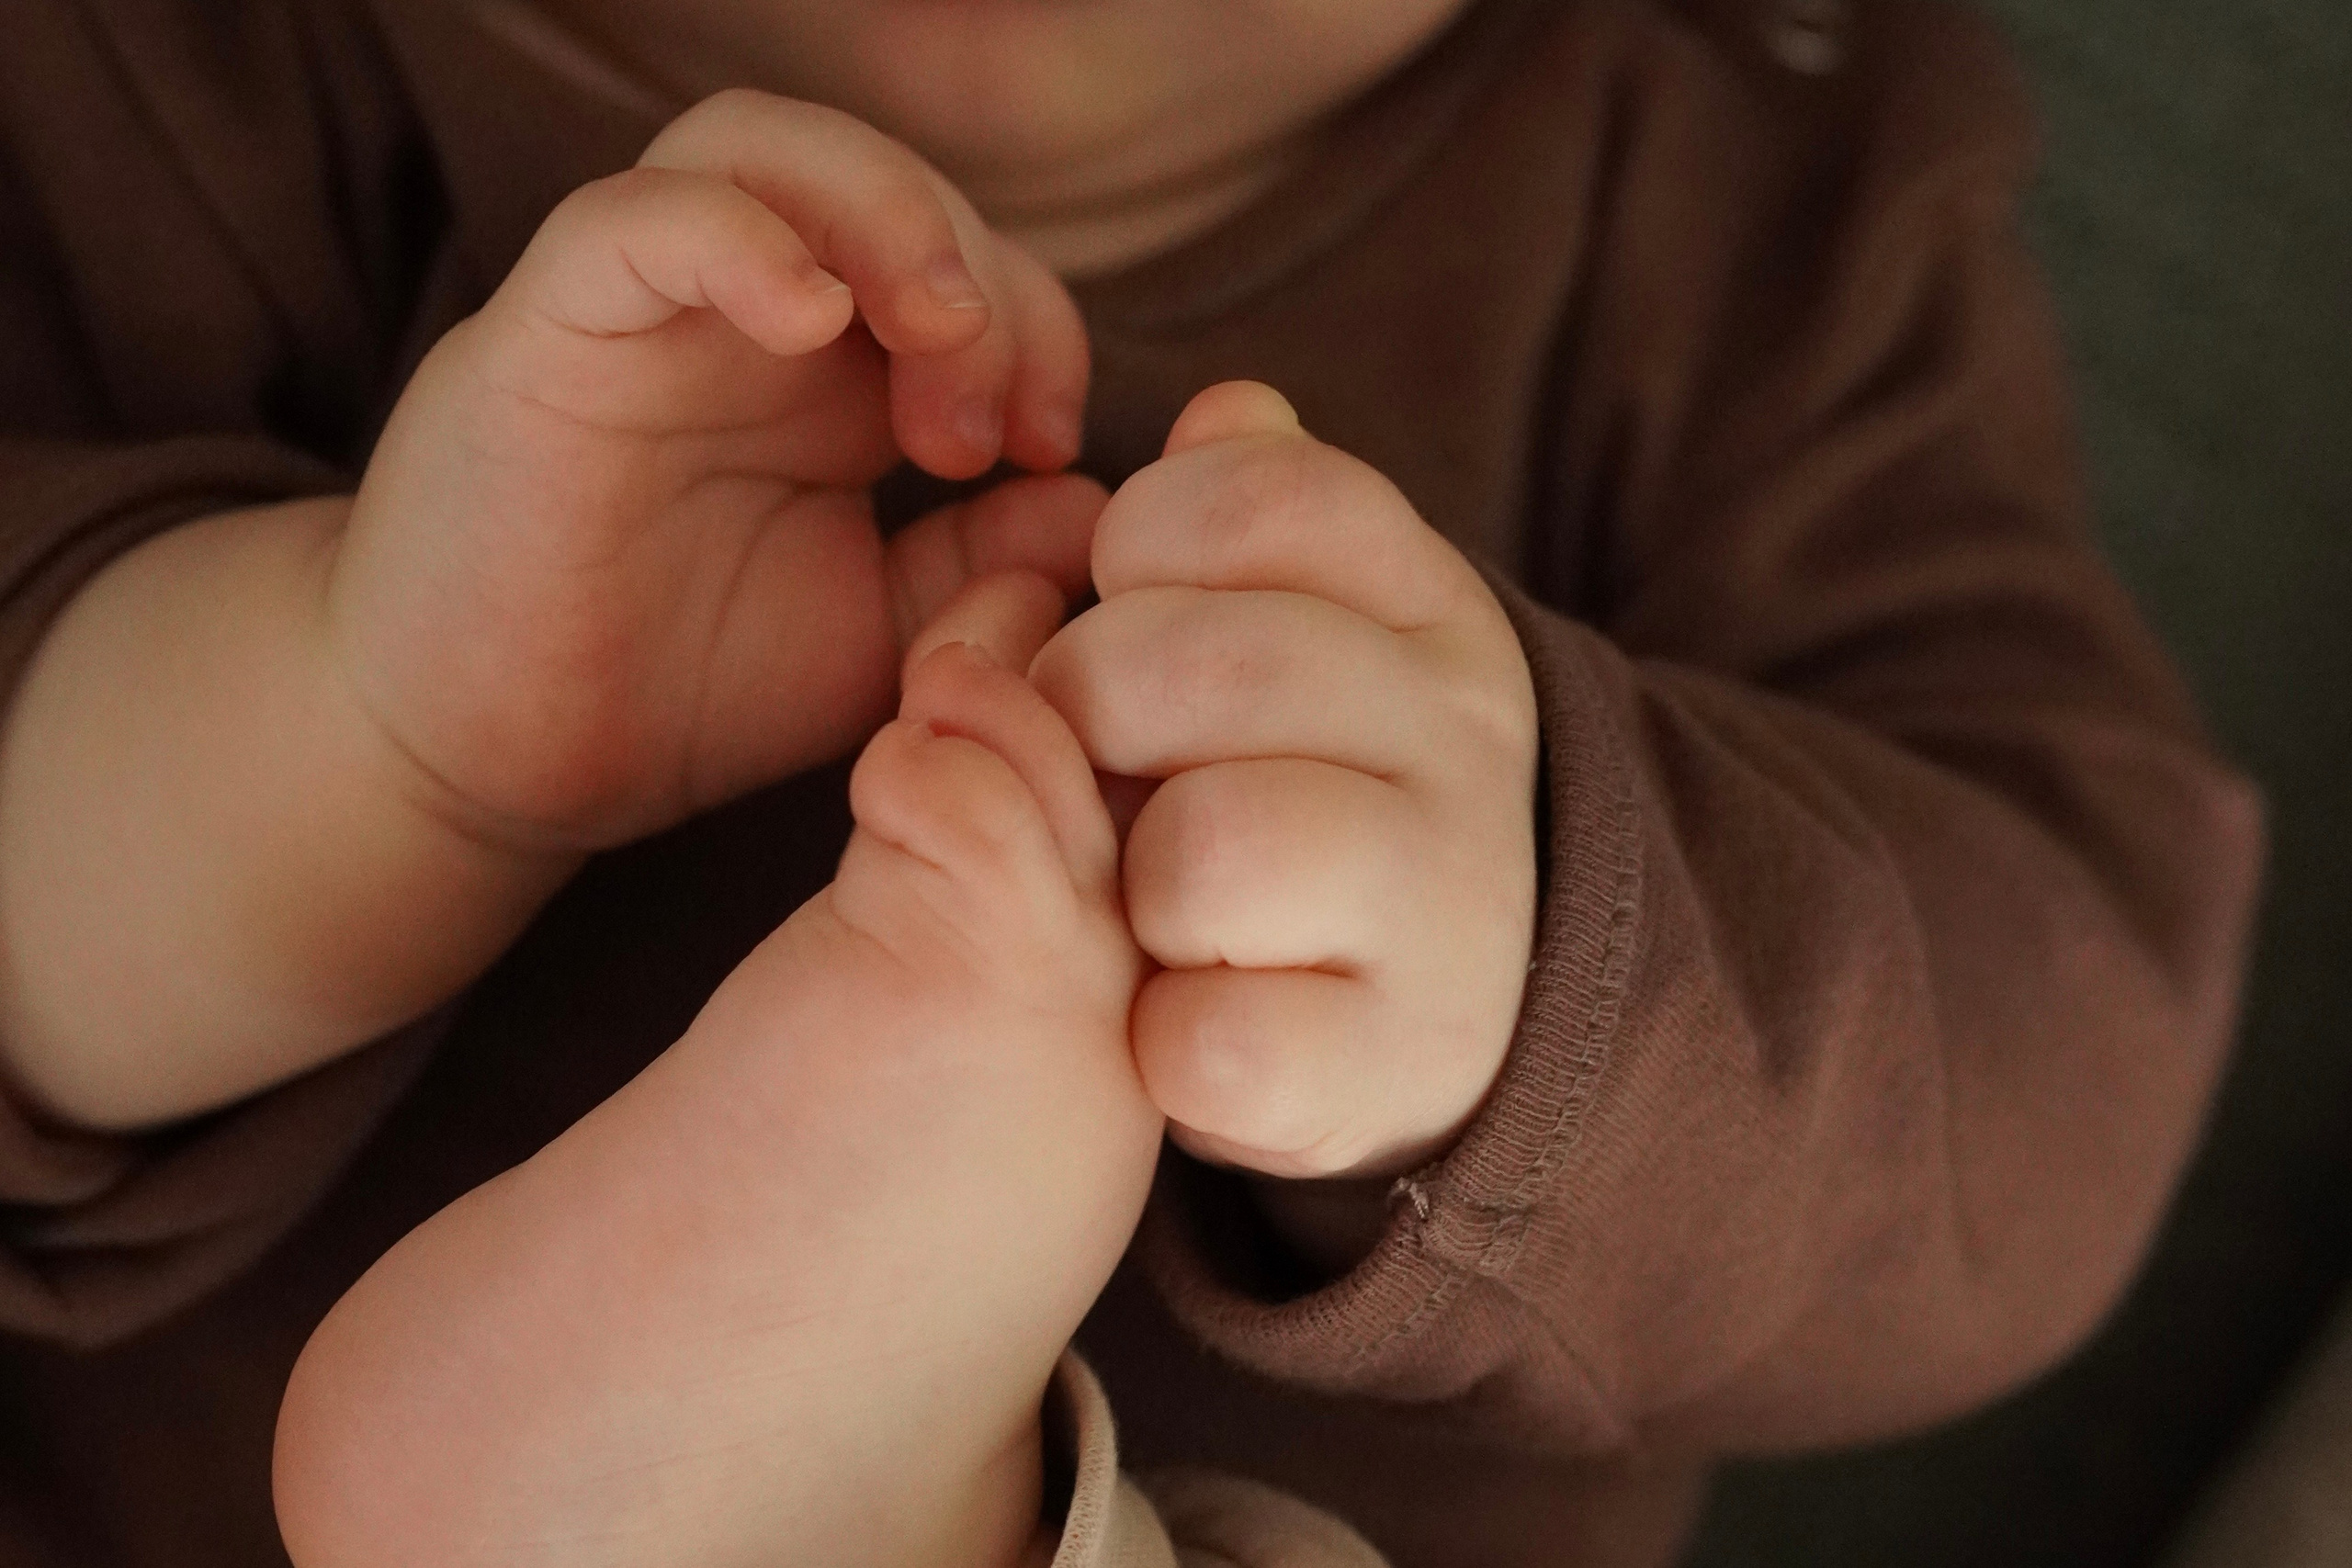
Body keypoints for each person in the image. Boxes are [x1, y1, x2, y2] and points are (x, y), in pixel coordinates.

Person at [0, 0, 2264, 1564]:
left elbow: (2055, 1040)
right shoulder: (200, 69)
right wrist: (359, 719)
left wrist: (1546, 942)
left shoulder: (1741, 205)